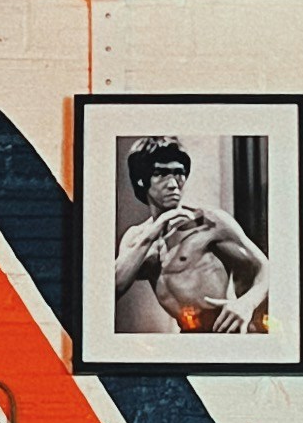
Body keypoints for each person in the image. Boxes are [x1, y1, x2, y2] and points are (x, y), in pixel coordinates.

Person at [112, 137, 269, 338]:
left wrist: (246, 303)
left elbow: (265, 267)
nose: (173, 184)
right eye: (160, 174)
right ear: (141, 180)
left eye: (179, 173)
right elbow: (111, 289)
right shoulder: (137, 237)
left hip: (226, 334)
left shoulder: (210, 222)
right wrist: (153, 232)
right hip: (187, 336)